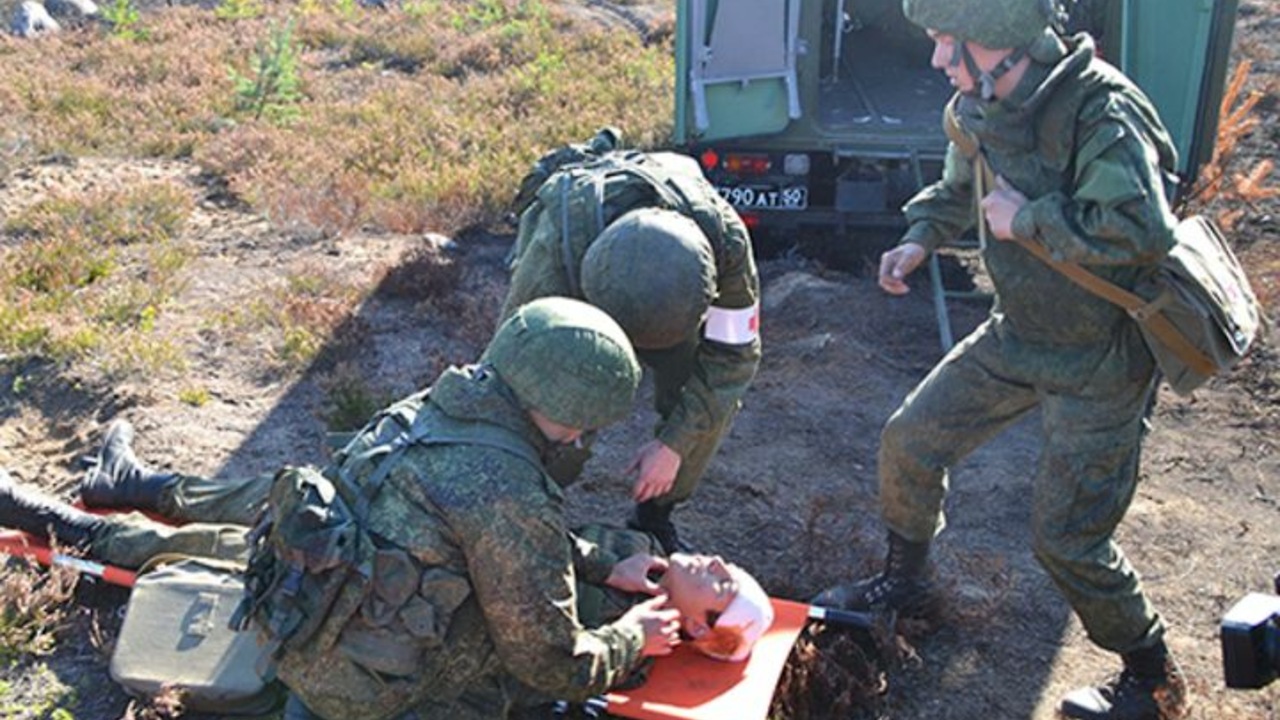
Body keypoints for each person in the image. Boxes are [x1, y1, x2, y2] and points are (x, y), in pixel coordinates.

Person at [0, 298, 773, 718]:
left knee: (202, 548)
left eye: (722, 581)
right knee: (206, 544)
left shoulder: (441, 403)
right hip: (363, 658)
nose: (714, 565)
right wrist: (627, 630)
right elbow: (549, 654)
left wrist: (611, 576)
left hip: (325, 597)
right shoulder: (511, 490)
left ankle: (71, 518)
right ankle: (78, 516)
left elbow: (525, 572)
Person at [813, 2, 1187, 719]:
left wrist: (1030, 220)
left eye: (948, 46)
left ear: (1003, 45)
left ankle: (1151, 673)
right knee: (911, 441)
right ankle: (908, 581)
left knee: (1067, 541)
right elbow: (960, 190)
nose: (937, 63)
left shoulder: (1100, 113)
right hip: (1017, 334)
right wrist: (920, 238)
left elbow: (1143, 228)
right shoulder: (979, 103)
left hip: (1101, 357)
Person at [502, 130, 763, 554]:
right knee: (551, 401)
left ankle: (655, 518)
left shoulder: (726, 245)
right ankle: (532, 501)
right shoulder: (555, 252)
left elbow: (732, 360)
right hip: (583, 300)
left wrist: (675, 444)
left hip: (675, 308)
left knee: (706, 403)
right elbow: (511, 371)